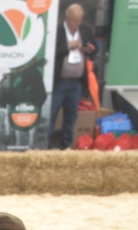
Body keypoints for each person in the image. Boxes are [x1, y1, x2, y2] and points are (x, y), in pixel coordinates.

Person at [52, 3, 97, 149]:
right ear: (67, 18)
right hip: (59, 82)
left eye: (80, 20)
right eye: (75, 20)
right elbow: (51, 53)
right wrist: (68, 47)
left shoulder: (85, 29)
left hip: (77, 83)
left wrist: (89, 49)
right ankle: (46, 147)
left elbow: (94, 48)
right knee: (51, 115)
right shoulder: (57, 30)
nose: (78, 23)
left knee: (71, 118)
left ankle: (66, 147)